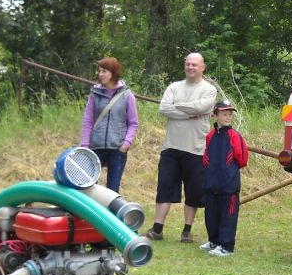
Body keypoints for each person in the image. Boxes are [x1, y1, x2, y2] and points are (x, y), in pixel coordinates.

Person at [143, 53, 218, 242]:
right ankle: (157, 229)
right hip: (171, 147)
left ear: (203, 67)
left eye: (195, 64)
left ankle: (186, 231)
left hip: (196, 149)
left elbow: (202, 107)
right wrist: (189, 113)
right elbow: (164, 108)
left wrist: (179, 108)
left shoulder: (209, 90)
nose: (191, 67)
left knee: (193, 192)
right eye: (188, 64)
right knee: (165, 188)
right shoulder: (174, 87)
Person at [79, 57, 138, 193]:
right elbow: (87, 121)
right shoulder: (95, 94)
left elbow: (133, 123)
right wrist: (85, 146)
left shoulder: (127, 95)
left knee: (112, 191)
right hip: (95, 147)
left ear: (113, 72)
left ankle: (109, 214)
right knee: (88, 188)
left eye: (104, 71)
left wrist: (126, 144)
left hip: (117, 149)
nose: (100, 74)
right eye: (99, 71)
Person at [200, 101, 249, 257]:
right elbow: (205, 156)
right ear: (215, 115)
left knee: (228, 215)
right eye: (224, 114)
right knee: (211, 214)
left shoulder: (235, 136)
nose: (228, 117)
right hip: (211, 183)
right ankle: (214, 241)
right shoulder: (210, 136)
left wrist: (228, 172)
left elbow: (242, 159)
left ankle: (226, 245)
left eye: (230, 115)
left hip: (228, 184)